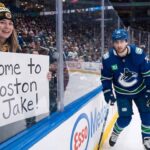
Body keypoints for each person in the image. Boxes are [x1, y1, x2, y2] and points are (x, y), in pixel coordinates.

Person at [101, 28, 150, 150]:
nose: (119, 45)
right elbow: (106, 78)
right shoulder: (108, 59)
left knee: (147, 115)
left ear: (126, 41)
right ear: (113, 43)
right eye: (116, 42)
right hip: (122, 94)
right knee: (125, 119)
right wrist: (108, 93)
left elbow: (148, 74)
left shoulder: (138, 54)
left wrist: (149, 90)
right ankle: (115, 133)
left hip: (140, 91)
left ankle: (147, 138)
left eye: (121, 41)